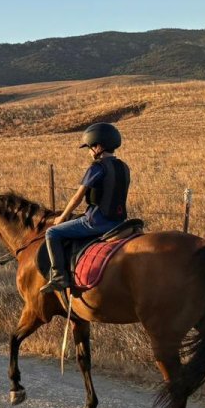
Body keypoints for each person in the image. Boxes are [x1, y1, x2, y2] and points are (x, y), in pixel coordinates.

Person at [41, 122, 131, 293]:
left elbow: (77, 197)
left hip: (97, 222)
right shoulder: (124, 167)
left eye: (90, 147)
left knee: (52, 233)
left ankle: (59, 276)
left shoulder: (97, 167)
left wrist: (61, 218)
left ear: (98, 147)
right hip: (120, 223)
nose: (89, 152)